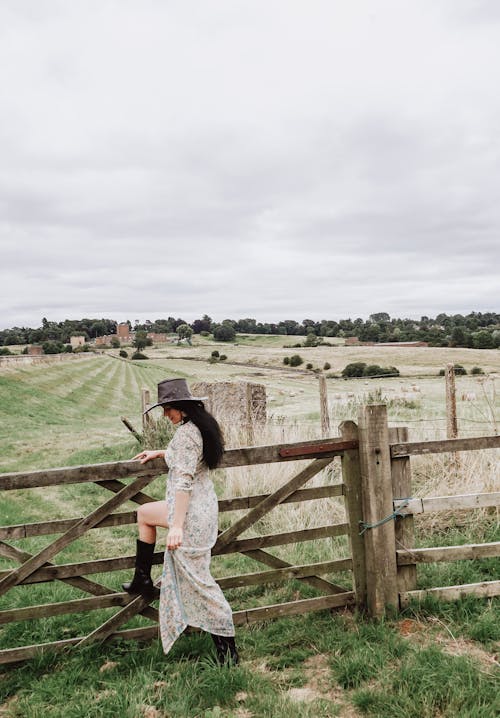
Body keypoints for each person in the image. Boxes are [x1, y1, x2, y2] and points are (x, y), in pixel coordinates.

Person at [122, 378, 238, 665]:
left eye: (167, 409)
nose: (165, 415)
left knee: (202, 585)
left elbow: (184, 481)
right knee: (144, 514)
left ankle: (228, 654)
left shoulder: (187, 434)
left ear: (181, 408)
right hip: (199, 509)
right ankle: (142, 578)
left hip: (189, 515)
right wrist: (161, 453)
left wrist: (176, 526)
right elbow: (188, 459)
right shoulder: (198, 428)